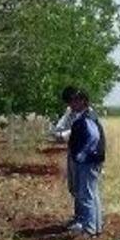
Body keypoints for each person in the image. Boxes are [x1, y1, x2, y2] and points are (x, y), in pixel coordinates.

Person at [66, 90, 106, 237]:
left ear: (83, 101)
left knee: (86, 194)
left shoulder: (86, 117)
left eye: (75, 101)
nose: (71, 104)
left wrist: (81, 154)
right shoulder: (89, 115)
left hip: (88, 161)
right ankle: (96, 227)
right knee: (93, 193)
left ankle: (89, 230)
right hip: (93, 160)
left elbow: (94, 137)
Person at [51, 86, 79, 221]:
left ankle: (86, 220)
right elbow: (59, 128)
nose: (70, 105)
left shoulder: (86, 113)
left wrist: (63, 135)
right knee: (73, 186)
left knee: (83, 189)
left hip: (84, 155)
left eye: (71, 102)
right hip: (73, 151)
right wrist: (60, 134)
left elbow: (76, 130)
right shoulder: (70, 111)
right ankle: (78, 216)